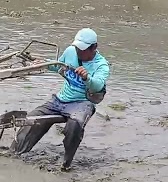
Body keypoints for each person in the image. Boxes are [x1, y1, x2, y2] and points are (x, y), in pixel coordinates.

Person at [12, 28, 110, 170]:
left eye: (83, 50)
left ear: (94, 47)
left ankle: (66, 164)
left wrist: (87, 77)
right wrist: (43, 63)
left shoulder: (101, 65)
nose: (79, 52)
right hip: (60, 99)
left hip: (82, 103)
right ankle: (14, 152)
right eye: (77, 48)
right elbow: (58, 65)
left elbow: (97, 86)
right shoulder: (71, 51)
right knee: (31, 119)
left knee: (74, 126)